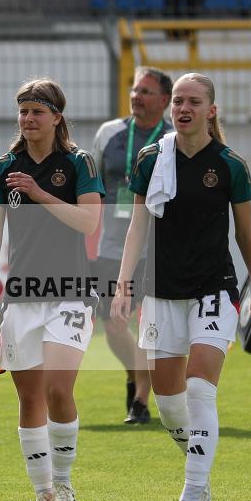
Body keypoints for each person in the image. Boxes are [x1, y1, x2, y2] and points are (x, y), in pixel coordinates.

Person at [111, 72, 251, 501]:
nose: (183, 108)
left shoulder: (231, 165)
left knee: (200, 388)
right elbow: (136, 227)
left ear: (211, 110)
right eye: (178, 101)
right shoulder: (150, 159)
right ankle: (199, 463)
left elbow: (245, 234)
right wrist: (123, 285)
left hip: (214, 289)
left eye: (194, 102)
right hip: (161, 292)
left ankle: (193, 493)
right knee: (168, 404)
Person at [0, 79, 104, 501]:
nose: (28, 119)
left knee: (57, 389)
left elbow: (89, 223)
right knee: (29, 398)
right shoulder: (2, 168)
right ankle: (43, 493)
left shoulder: (79, 162)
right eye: (23, 111)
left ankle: (65, 484)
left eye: (37, 111)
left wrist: (40, 193)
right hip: (21, 299)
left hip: (71, 295)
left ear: (56, 117)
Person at [92, 66, 173, 424]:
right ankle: (136, 375)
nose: (136, 96)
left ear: (164, 100)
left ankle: (140, 400)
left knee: (150, 325)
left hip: (158, 249)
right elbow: (92, 182)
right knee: (113, 322)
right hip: (112, 246)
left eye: (145, 91)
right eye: (135, 90)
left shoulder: (172, 138)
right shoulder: (109, 133)